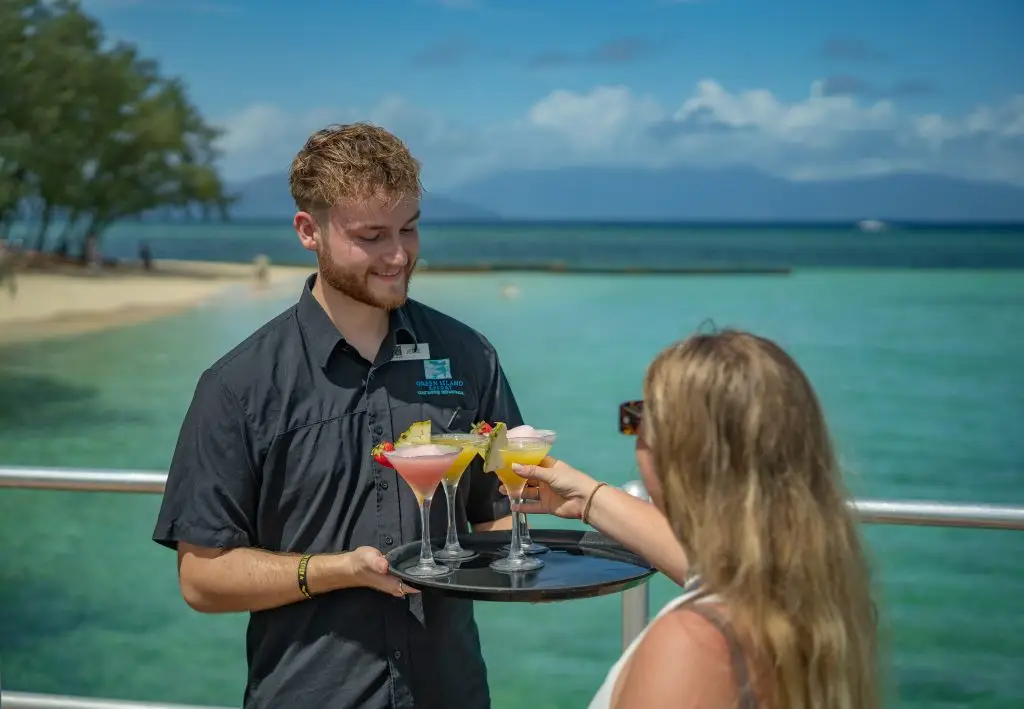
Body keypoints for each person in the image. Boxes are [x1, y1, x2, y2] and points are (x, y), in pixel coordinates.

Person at [153, 123, 522, 709]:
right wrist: (336, 570)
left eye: (409, 228)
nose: (398, 255)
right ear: (309, 230)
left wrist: (551, 528)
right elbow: (202, 579)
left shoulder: (469, 355)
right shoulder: (237, 385)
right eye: (371, 236)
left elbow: (498, 517)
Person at [511, 330, 880, 709]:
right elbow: (708, 569)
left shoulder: (693, 644)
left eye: (638, 418)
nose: (634, 434)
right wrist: (587, 498)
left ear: (681, 451)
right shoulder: (810, 599)